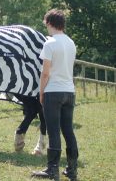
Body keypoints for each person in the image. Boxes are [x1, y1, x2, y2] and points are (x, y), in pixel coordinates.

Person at [31, 9, 78, 181]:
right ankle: (72, 170)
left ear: (50, 23)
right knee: (68, 131)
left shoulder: (50, 43)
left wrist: (41, 92)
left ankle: (52, 170)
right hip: (69, 91)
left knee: (53, 131)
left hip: (53, 91)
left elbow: (45, 73)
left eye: (46, 24)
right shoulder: (71, 43)